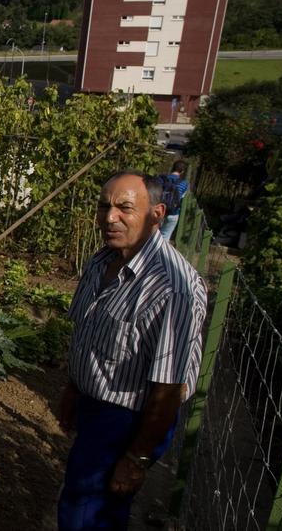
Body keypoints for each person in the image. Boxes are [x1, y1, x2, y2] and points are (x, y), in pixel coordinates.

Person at [57, 171, 208, 530]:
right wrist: (74, 389)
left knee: (87, 510)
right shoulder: (101, 262)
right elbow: (87, 335)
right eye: (104, 206)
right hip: (96, 406)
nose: (110, 217)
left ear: (157, 214)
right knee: (86, 502)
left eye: (125, 208)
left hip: (130, 418)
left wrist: (137, 457)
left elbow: (169, 389)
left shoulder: (174, 287)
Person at [158, 161, 188, 240]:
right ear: (182, 171)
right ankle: (161, 251)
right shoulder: (184, 184)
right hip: (173, 212)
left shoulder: (162, 179)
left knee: (153, 235)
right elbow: (181, 198)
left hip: (160, 210)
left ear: (173, 168)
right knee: (165, 237)